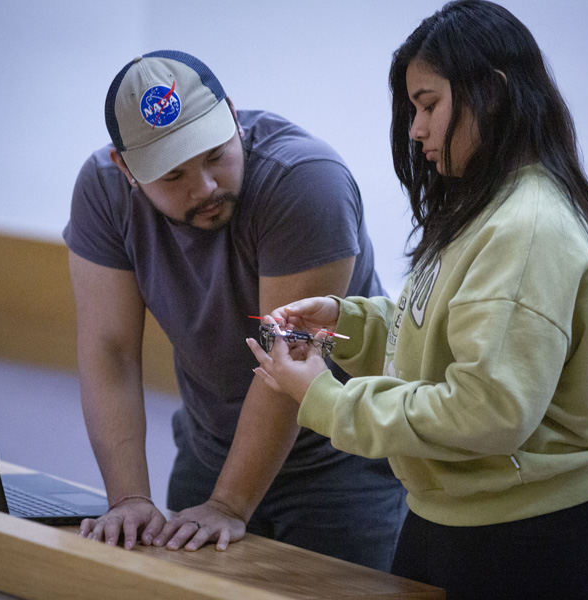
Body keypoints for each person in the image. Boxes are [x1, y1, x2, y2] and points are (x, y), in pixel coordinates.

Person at [247, 1, 588, 597]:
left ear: (492, 93)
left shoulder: (526, 225)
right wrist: (347, 322)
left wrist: (326, 399)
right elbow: (429, 324)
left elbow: (487, 411)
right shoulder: (485, 203)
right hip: (456, 509)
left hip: (527, 528)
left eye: (428, 105)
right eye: (413, 109)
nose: (416, 129)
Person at [63, 50, 406, 570]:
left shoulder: (306, 181)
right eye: (173, 176)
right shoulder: (103, 193)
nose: (204, 188)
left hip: (340, 465)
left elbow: (286, 360)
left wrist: (229, 504)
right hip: (211, 447)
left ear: (231, 113)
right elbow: (110, 352)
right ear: (126, 169)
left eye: (214, 155)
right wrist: (128, 499)